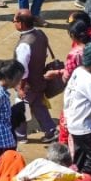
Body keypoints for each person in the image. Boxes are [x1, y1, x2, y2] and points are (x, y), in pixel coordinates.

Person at [13, 9, 58, 143]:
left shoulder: (24, 45)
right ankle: (50, 131)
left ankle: (20, 136)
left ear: (21, 24)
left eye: (14, 20)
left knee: (21, 107)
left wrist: (21, 88)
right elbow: (44, 55)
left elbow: (23, 70)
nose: (13, 23)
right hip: (40, 80)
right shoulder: (40, 34)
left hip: (27, 84)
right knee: (38, 106)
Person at [64, 41, 91, 175]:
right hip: (85, 126)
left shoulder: (78, 72)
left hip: (73, 122)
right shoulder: (89, 81)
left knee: (80, 158)